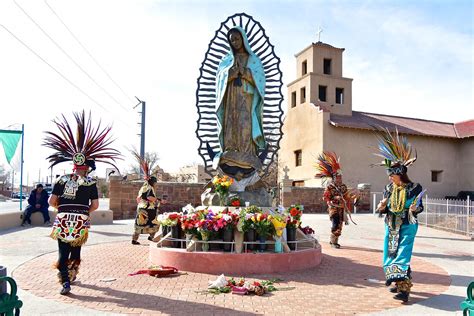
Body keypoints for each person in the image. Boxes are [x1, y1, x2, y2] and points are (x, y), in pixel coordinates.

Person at [44, 110, 120, 295]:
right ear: (86, 168)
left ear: (74, 165)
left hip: (63, 218)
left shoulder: (61, 179)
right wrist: (82, 211)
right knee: (75, 250)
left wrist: (62, 207)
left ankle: (65, 281)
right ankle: (71, 273)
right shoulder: (90, 182)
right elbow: (94, 205)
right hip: (79, 220)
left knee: (62, 251)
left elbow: (51, 200)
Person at [374, 127, 423, 303]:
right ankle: (396, 281)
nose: (389, 179)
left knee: (403, 255)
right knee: (391, 252)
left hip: (408, 225)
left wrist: (414, 209)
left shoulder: (414, 188)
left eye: (391, 175)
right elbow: (384, 209)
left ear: (399, 174)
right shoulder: (388, 189)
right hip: (392, 224)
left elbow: (419, 207)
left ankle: (404, 290)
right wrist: (382, 207)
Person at [214, 26, 266, 181]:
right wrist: (229, 74)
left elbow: (261, 80)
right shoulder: (226, 60)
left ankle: (247, 155)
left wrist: (245, 73)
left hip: (247, 98)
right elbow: (219, 80)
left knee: (245, 126)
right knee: (230, 124)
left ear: (243, 38)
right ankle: (230, 153)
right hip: (230, 99)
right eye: (232, 40)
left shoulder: (253, 60)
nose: (235, 42)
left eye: (237, 39)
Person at [315, 152, 354, 249]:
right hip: (333, 208)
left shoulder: (343, 187)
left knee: (340, 226)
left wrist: (352, 196)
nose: (339, 179)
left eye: (340, 177)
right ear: (334, 178)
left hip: (341, 209)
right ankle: (333, 242)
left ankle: (334, 240)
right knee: (335, 223)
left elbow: (346, 197)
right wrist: (334, 198)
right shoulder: (330, 187)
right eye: (338, 177)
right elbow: (325, 197)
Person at [132, 176, 161, 245]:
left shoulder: (143, 188)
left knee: (140, 224)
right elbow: (149, 197)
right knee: (154, 223)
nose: (156, 184)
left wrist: (141, 204)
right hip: (148, 209)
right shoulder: (150, 188)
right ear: (153, 182)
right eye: (155, 182)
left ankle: (134, 239)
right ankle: (151, 237)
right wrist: (157, 200)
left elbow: (138, 199)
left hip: (141, 208)